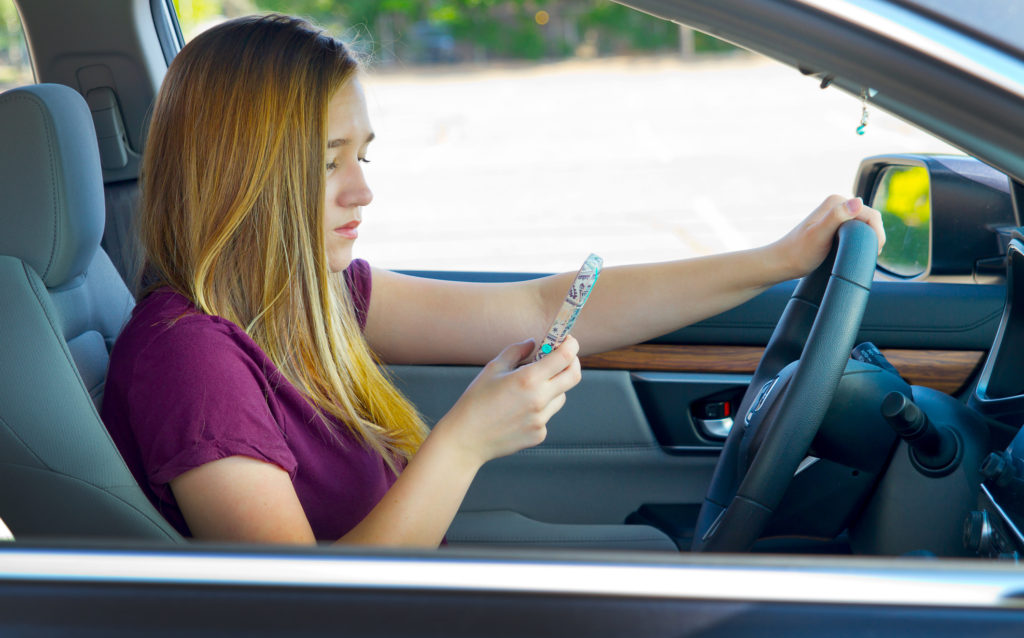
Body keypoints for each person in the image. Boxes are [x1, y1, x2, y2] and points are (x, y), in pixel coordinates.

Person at [101, 14, 884, 548]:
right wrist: (466, 441)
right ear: (243, 175)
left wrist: (776, 259)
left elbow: (540, 304)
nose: (362, 192)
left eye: (362, 157)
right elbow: (304, 611)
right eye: (326, 162)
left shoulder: (306, 300)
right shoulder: (190, 360)